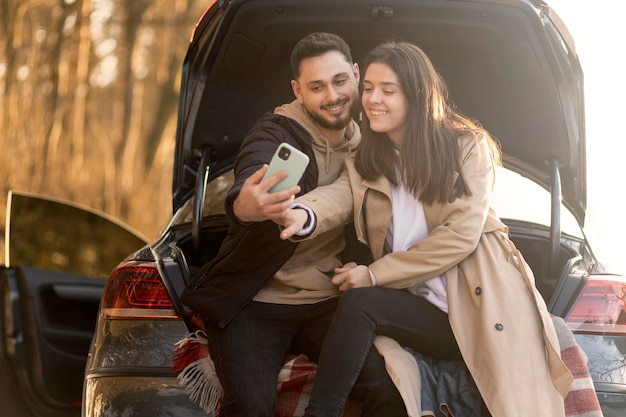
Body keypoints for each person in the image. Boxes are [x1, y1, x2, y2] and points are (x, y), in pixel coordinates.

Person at [277, 41, 574, 417]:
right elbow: (338, 196)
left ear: (416, 95)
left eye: (388, 90)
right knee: (359, 311)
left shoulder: (468, 147)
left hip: (473, 313)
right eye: (367, 88)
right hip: (420, 310)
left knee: (362, 298)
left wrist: (373, 274)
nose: (372, 99)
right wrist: (302, 212)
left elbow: (460, 235)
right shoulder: (368, 158)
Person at [180, 32, 407, 417]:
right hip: (256, 301)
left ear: (356, 74)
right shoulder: (274, 132)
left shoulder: (375, 139)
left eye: (339, 81)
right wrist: (248, 204)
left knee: (392, 391)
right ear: (297, 90)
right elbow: (252, 172)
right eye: (316, 87)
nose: (332, 95)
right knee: (249, 407)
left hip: (330, 301)